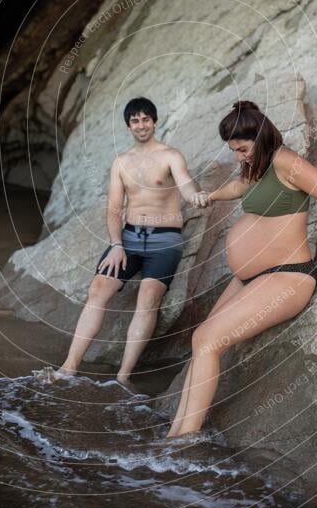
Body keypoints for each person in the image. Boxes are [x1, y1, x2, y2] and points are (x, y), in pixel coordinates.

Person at [167, 99, 317, 437]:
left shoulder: (286, 161)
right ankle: (173, 435)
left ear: (261, 136)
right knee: (200, 340)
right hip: (251, 277)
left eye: (242, 148)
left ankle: (183, 445)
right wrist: (212, 195)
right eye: (234, 151)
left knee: (207, 340)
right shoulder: (258, 166)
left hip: (288, 274)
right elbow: (240, 186)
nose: (239, 156)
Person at [37, 96, 207, 386]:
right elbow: (114, 208)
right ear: (128, 126)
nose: (141, 125)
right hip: (129, 238)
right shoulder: (121, 163)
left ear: (154, 121)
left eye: (145, 119)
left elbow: (186, 184)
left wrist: (195, 196)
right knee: (98, 288)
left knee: (148, 298)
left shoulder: (171, 156)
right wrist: (116, 245)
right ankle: (68, 368)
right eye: (135, 120)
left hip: (164, 239)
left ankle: (123, 378)